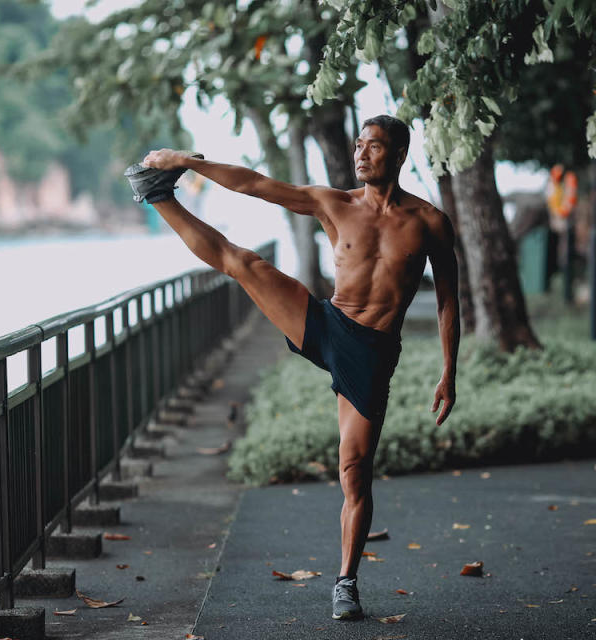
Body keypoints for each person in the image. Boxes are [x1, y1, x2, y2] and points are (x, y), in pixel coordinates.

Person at [126, 114, 460, 621]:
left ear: (398, 156)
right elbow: (257, 185)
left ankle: (346, 582)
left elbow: (449, 301)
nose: (361, 154)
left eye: (373, 147)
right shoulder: (335, 204)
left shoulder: (430, 223)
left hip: (371, 353)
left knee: (355, 469)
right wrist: (184, 163)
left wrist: (448, 372)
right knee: (244, 263)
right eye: (358, 145)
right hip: (327, 323)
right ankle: (158, 196)